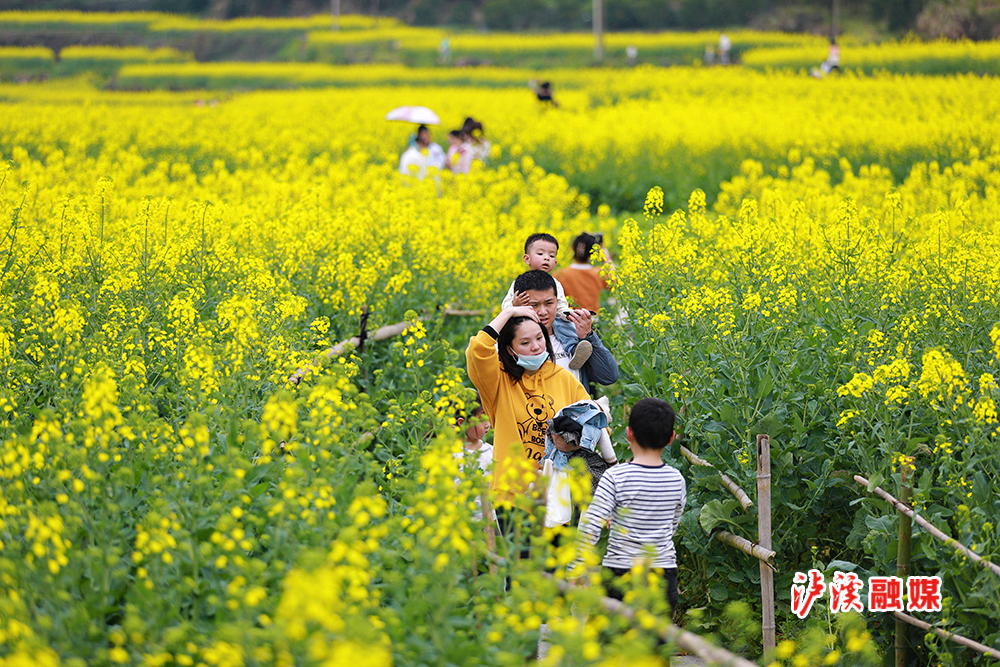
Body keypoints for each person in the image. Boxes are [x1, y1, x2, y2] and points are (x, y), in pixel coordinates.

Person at [465, 306, 591, 504]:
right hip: (512, 494)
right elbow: (478, 349)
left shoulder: (564, 379)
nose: (536, 347)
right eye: (525, 342)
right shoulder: (498, 382)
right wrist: (508, 313)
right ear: (509, 349)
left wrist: (571, 443)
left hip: (559, 493)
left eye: (539, 338)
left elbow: (595, 425)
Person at [576, 397, 687, 615]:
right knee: (655, 645)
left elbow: (591, 523)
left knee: (613, 643)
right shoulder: (677, 479)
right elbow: (671, 525)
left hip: (621, 572)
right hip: (663, 574)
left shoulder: (615, 476)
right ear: (671, 438)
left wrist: (577, 568)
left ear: (629, 434)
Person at [511, 270, 619, 396]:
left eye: (549, 303)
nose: (543, 311)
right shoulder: (513, 344)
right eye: (534, 305)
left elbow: (609, 376)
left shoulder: (571, 336)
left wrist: (588, 336)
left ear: (557, 302)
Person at [502, 234, 593, 371]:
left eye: (551, 256)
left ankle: (574, 351)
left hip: (553, 321)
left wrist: (568, 315)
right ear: (527, 259)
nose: (546, 258)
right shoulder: (519, 283)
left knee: (565, 326)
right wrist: (515, 305)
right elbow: (505, 308)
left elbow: (561, 306)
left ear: (555, 263)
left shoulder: (555, 284)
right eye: (540, 253)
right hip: (527, 323)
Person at [452, 394, 494, 520]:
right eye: (481, 419)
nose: (487, 424)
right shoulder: (452, 454)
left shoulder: (492, 451)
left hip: (489, 524)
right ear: (462, 423)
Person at [554, 232, 613, 315]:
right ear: (592, 254)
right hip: (592, 321)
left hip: (570, 320)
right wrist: (606, 257)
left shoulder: (560, 274)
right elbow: (616, 282)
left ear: (572, 248)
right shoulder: (598, 273)